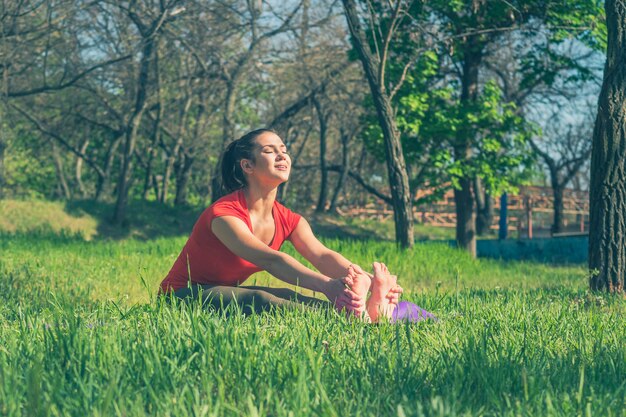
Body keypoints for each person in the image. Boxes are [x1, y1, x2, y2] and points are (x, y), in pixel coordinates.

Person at [159, 128, 403, 321]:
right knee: (260, 300)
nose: (282, 155)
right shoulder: (223, 215)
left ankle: (368, 313)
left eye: (284, 150)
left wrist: (368, 280)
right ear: (247, 166)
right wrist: (328, 286)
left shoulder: (288, 219)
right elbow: (271, 260)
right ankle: (358, 317)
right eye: (269, 150)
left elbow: (321, 255)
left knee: (290, 296)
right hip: (182, 296)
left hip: (224, 291)